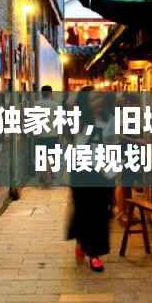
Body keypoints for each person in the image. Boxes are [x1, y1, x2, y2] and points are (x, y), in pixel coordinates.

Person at [67, 87, 115, 272]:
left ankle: (94, 252)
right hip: (81, 171)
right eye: (93, 99)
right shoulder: (78, 120)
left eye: (99, 98)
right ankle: (85, 245)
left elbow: (112, 144)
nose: (98, 102)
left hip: (103, 172)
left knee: (100, 213)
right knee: (84, 210)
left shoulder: (109, 119)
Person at [34, 85, 59, 185]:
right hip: (53, 135)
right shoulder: (55, 105)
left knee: (42, 155)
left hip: (40, 135)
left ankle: (44, 175)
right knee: (51, 155)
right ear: (50, 93)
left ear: (42, 93)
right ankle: (50, 174)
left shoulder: (36, 104)